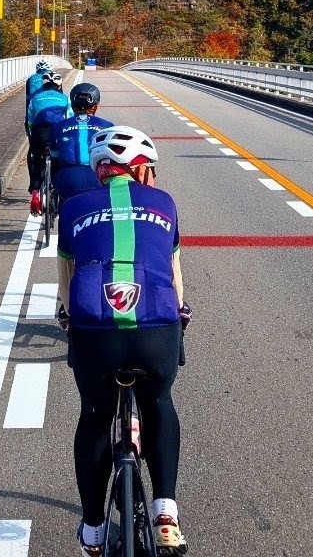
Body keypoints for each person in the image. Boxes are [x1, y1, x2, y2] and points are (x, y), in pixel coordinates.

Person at [57, 125, 190, 557]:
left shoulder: (73, 208)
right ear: (141, 170)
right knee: (159, 403)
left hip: (95, 333)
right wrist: (180, 312)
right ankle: (166, 515)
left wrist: (67, 317)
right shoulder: (164, 203)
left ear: (101, 171)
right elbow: (175, 278)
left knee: (95, 418)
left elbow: (66, 282)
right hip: (155, 329)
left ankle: (93, 532)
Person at [47, 82, 113, 204]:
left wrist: (54, 184)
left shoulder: (58, 126)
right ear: (96, 106)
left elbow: (54, 159)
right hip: (96, 177)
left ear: (72, 105)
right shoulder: (108, 126)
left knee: (66, 206)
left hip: (67, 178)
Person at [25, 72, 70, 215]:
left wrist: (32, 137)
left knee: (35, 159)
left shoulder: (35, 98)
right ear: (59, 86)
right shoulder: (65, 98)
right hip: (57, 133)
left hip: (39, 133)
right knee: (60, 160)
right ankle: (57, 189)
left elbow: (30, 121)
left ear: (43, 86)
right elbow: (69, 119)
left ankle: (35, 192)